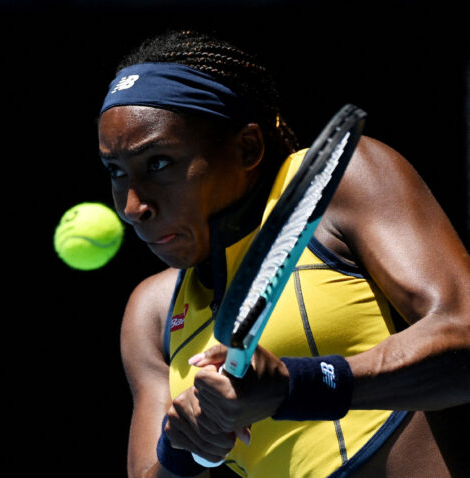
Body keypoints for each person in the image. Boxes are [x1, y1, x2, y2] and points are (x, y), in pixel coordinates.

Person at [96, 29, 470, 478]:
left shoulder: (337, 185)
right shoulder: (151, 312)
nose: (133, 207)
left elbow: (464, 335)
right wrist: (188, 447)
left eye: (158, 162)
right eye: (116, 172)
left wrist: (298, 386)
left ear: (247, 147)